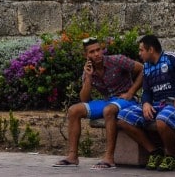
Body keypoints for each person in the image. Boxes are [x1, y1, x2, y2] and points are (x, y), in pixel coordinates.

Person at [53, 36, 143, 169]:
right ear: (86, 55)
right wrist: (88, 77)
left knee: (109, 110)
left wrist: (131, 92)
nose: (96, 54)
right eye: (92, 52)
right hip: (107, 101)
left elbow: (142, 69)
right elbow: (84, 99)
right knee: (74, 110)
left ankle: (109, 158)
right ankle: (72, 157)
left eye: (98, 50)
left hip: (127, 101)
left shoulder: (117, 60)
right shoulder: (88, 70)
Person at [116, 35, 175, 171]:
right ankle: (154, 152)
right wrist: (146, 103)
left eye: (141, 50)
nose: (139, 54)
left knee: (162, 120)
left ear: (151, 49)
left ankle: (172, 155)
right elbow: (146, 91)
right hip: (158, 106)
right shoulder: (147, 67)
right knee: (123, 118)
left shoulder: (170, 57)